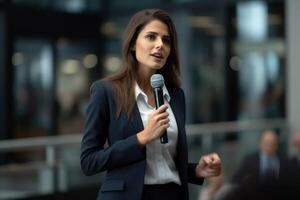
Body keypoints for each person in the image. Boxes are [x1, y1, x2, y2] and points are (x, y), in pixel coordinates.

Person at [80, 9, 221, 200]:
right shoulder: (105, 91)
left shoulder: (176, 95)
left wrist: (197, 170)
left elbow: (165, 163)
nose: (159, 45)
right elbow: (89, 161)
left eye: (166, 40)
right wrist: (141, 138)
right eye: (151, 37)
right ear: (132, 44)